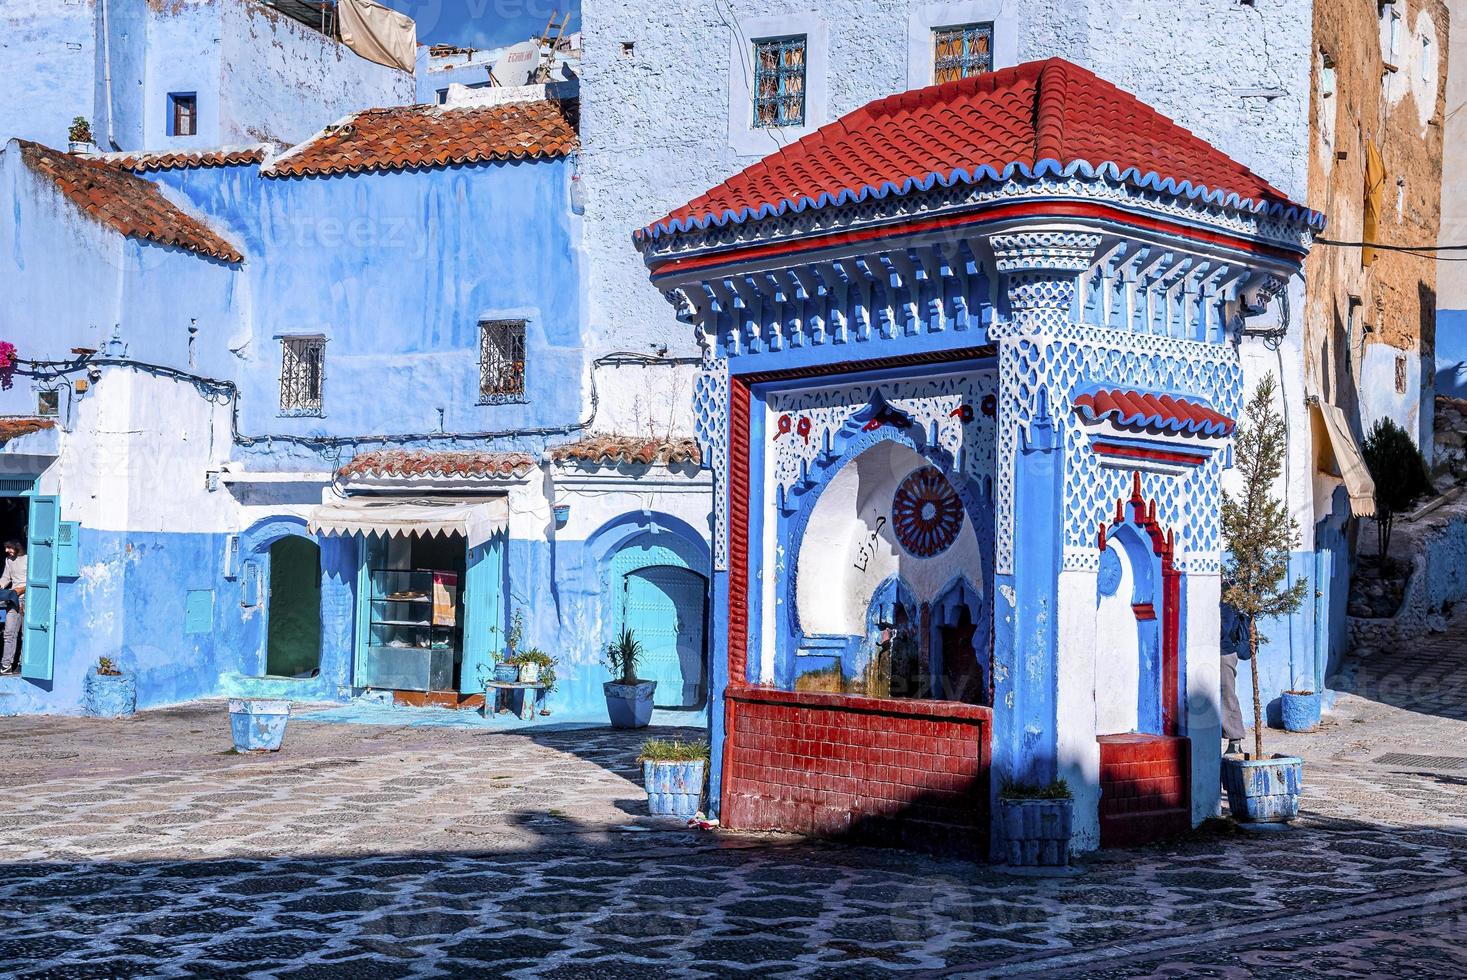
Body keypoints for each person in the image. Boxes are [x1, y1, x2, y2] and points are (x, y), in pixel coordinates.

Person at [1219, 603, 1248, 755]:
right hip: (1205, 653)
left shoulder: (1226, 599)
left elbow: (1223, 628)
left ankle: (1235, 741)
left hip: (1223, 654)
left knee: (1227, 695)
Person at [0, 540, 26, 675]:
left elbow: (35, 579)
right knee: (9, 632)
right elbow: (5, 578)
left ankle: (23, 664)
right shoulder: (9, 560)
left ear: (17, 545)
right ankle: (6, 665)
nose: (7, 551)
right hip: (13, 598)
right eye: (6, 548)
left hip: (27, 598)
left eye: (9, 547)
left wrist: (23, 589)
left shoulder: (29, 559)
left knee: (26, 634)